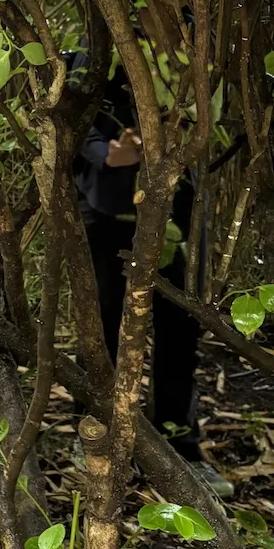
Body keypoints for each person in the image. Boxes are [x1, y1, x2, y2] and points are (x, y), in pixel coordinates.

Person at [70, 54, 233, 498]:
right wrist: (113, 152)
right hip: (107, 206)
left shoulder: (183, 39)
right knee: (101, 324)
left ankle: (181, 444)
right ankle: (93, 434)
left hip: (175, 206)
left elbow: (206, 114)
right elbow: (77, 122)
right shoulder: (96, 41)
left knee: (179, 325)